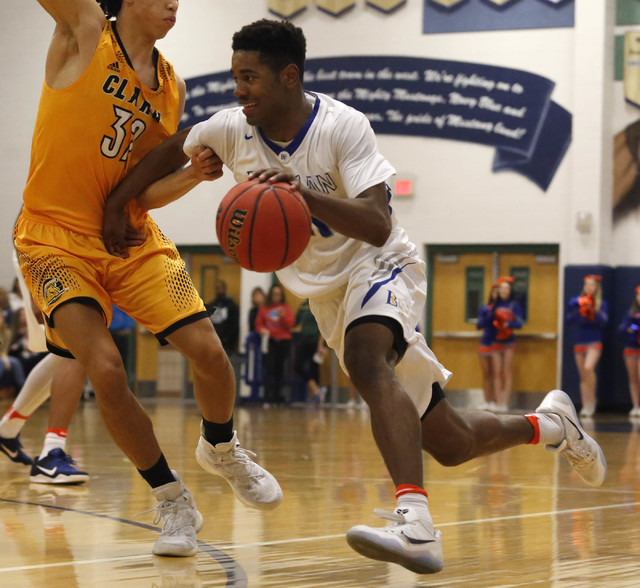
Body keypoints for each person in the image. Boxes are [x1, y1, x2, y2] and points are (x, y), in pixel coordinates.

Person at [102, 19, 607, 575]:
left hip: (382, 262)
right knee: (452, 442)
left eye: (250, 78)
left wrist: (304, 199)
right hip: (327, 296)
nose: (239, 89)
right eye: (235, 77)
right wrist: (118, 205)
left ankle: (415, 521)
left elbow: (376, 220)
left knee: (368, 362)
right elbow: (170, 149)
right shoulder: (230, 128)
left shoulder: (344, 126)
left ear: (288, 77)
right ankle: (553, 425)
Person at [14, 0, 281, 558]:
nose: (173, 4)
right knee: (106, 369)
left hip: (130, 237)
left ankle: (223, 446)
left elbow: (138, 193)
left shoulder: (170, 87)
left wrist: (190, 176)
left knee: (208, 352)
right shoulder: (84, 31)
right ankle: (171, 498)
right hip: (53, 238)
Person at [0, 250, 89, 484]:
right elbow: (35, 218)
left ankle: (9, 430)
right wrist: (33, 286)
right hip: (43, 257)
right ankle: (51, 451)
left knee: (71, 350)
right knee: (77, 345)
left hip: (73, 260)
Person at [566, 274, 608, 418]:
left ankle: (592, 400)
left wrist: (592, 312)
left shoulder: (600, 303)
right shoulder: (578, 302)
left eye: (592, 284)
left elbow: (603, 321)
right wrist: (580, 311)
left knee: (589, 368)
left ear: (596, 287)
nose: (589, 287)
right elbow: (569, 318)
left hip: (594, 341)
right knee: (583, 375)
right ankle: (586, 404)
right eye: (587, 284)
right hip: (579, 340)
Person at [255, 284, 295, 406]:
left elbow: (290, 325)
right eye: (274, 294)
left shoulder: (286, 308)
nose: (276, 297)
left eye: (278, 294)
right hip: (270, 341)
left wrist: (283, 318)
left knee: (281, 369)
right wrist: (262, 330)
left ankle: (278, 397)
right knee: (269, 369)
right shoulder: (264, 308)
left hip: (284, 341)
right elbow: (258, 324)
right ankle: (268, 398)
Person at [489, 277, 523, 413]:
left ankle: (505, 402)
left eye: (506, 289)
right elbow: (486, 321)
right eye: (501, 289)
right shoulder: (494, 305)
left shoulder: (514, 305)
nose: (504, 291)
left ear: (510, 291)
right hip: (495, 341)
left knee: (506, 371)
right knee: (496, 372)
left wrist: (509, 324)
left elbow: (519, 323)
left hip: (509, 341)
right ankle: (497, 401)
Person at [292, 299, 326, 404]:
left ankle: (315, 396)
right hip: (303, 340)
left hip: (315, 341)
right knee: (298, 366)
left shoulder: (320, 304)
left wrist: (321, 344)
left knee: (314, 368)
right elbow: (295, 322)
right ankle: (315, 389)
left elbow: (323, 325)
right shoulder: (303, 306)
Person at [476, 283, 499, 411]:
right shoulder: (485, 308)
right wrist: (487, 316)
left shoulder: (503, 309)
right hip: (485, 343)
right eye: (495, 292)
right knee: (486, 373)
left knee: (496, 374)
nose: (497, 295)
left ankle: (496, 401)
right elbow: (479, 325)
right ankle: (487, 400)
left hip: (498, 344)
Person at [618, 285, 640, 418]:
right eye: (638, 295)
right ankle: (635, 405)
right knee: (633, 377)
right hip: (631, 347)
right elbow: (622, 328)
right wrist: (632, 327)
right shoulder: (631, 312)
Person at [205, 280, 240, 356]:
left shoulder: (232, 306)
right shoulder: (211, 305)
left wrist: (228, 339)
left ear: (225, 289)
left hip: (228, 345)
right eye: (217, 288)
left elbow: (235, 325)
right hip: (213, 343)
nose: (219, 290)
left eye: (221, 287)